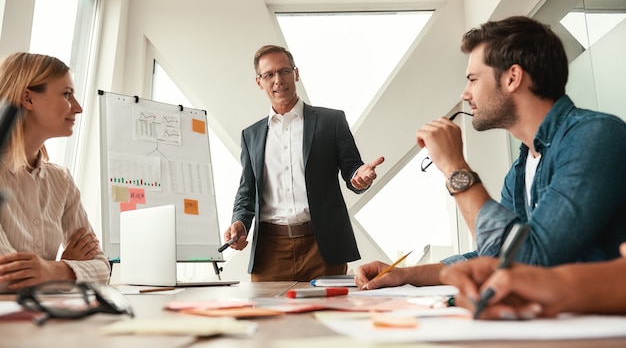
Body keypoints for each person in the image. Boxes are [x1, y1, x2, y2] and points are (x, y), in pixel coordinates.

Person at [356, 16, 626, 290]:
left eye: (473, 79)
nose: (465, 94)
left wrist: (454, 166)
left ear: (512, 77)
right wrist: (406, 275)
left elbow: (528, 263)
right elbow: (497, 254)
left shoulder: (595, 136)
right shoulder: (521, 169)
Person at [223, 45, 384, 281]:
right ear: (259, 82)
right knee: (268, 318)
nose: (278, 80)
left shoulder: (331, 121)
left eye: (284, 71)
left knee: (327, 316)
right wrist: (239, 223)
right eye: (269, 75)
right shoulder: (251, 135)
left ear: (295, 74)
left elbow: (352, 169)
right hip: (270, 252)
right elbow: (247, 191)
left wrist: (359, 178)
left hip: (322, 248)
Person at [0, 52, 110, 292]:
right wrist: (67, 269)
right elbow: (7, 277)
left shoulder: (60, 180)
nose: (78, 108)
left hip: (44, 321)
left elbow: (102, 268)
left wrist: (52, 271)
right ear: (28, 99)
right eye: (67, 94)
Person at [440, 242, 626, 319]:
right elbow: (494, 250)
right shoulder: (516, 174)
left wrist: (456, 171)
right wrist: (560, 284)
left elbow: (529, 253)